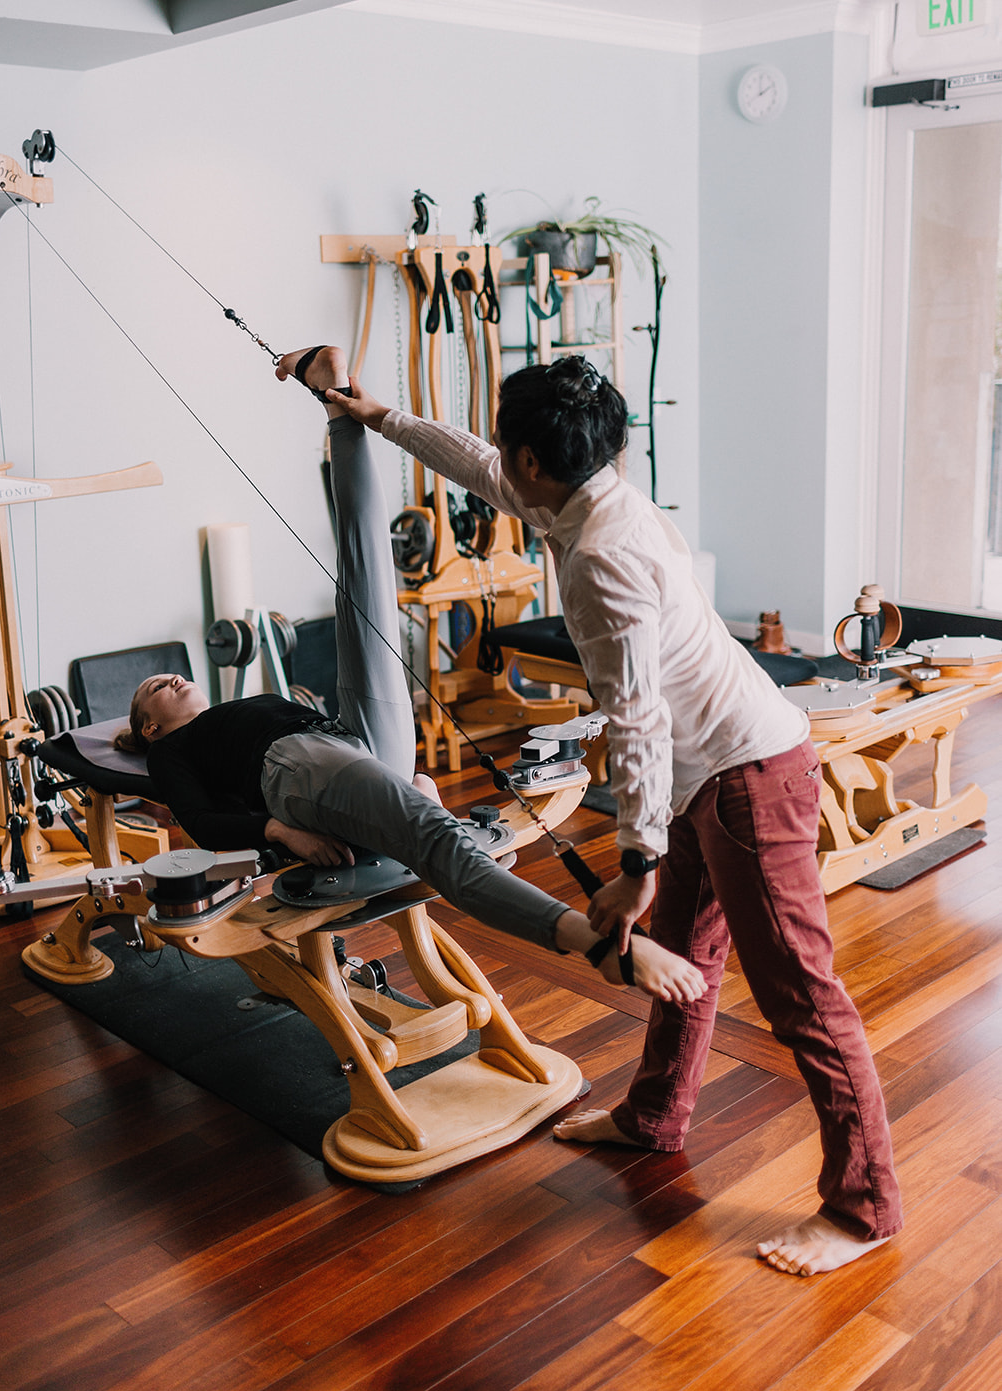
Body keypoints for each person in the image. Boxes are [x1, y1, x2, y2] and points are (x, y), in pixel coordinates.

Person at [325, 348, 903, 1278]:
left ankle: (865, 1206)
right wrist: (379, 416)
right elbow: (478, 462)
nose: (501, 464)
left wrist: (633, 867)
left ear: (535, 465)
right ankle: (654, 1117)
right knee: (688, 960)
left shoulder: (600, 553)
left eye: (511, 452)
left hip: (748, 777)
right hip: (706, 778)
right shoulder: (581, 492)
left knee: (801, 996)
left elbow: (636, 714)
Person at [117, 345, 707, 1008]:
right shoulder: (171, 749)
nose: (166, 679)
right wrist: (279, 833)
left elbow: (482, 466)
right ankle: (600, 946)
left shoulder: (594, 528)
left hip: (343, 738)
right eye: (153, 692)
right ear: (148, 726)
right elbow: (198, 819)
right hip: (297, 773)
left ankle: (333, 400)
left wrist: (370, 413)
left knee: (366, 585)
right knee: (437, 844)